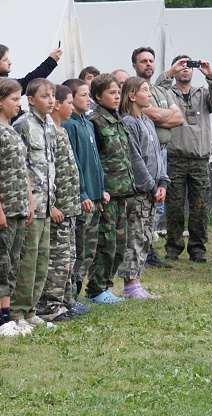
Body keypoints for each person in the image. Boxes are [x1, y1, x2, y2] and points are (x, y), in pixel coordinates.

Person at [156, 56, 212, 263]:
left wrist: (211, 75)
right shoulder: (167, 94)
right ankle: (173, 246)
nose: (185, 69)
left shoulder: (203, 94)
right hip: (175, 159)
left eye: (189, 66)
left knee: (200, 207)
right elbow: (155, 90)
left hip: (199, 160)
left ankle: (197, 248)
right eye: (181, 66)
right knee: (174, 207)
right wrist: (170, 72)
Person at [0, 78, 33, 337]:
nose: (18, 104)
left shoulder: (11, 129)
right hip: (4, 209)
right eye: (14, 99)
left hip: (18, 208)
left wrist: (29, 202)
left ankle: (6, 316)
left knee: (11, 264)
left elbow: (23, 170)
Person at [131, 46, 184, 269]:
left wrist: (159, 116)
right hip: (144, 152)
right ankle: (141, 250)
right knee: (144, 201)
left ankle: (148, 248)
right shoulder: (132, 89)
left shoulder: (160, 91)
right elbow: (150, 114)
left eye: (151, 61)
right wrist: (163, 114)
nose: (148, 64)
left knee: (158, 205)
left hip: (161, 149)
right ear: (134, 65)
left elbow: (179, 118)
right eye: (143, 61)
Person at [86, 73, 137, 303]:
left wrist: (126, 190)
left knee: (119, 244)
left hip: (120, 193)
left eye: (118, 92)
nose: (117, 97)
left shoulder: (117, 120)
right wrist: (99, 191)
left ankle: (106, 285)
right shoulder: (95, 122)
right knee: (105, 243)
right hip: (106, 194)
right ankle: (96, 289)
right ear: (98, 96)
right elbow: (94, 161)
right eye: (111, 93)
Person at [117, 77, 169, 298]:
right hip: (140, 192)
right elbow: (135, 159)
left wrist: (163, 182)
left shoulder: (147, 121)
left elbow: (157, 155)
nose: (149, 94)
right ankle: (130, 285)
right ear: (131, 95)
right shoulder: (129, 123)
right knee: (136, 236)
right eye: (145, 90)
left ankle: (136, 282)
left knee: (146, 236)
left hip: (153, 190)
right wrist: (150, 187)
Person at [11, 78, 57, 328]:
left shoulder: (49, 124)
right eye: (45, 96)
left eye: (53, 96)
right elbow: (19, 168)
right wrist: (26, 202)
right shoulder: (23, 125)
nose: (51, 101)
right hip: (31, 205)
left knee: (41, 261)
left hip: (46, 204)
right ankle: (17, 312)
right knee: (27, 261)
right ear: (31, 100)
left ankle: (31, 310)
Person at [61, 79, 107, 314]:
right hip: (83, 198)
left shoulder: (87, 123)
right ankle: (69, 297)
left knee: (89, 250)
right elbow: (75, 164)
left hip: (95, 195)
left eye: (89, 95)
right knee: (77, 250)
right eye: (83, 95)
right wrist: (83, 193)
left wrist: (101, 189)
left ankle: (75, 295)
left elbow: (95, 161)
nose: (88, 99)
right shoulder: (68, 125)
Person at [37, 84, 82, 322]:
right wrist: (52, 205)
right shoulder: (48, 132)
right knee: (57, 260)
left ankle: (65, 302)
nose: (72, 107)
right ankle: (49, 307)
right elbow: (45, 172)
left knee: (69, 258)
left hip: (69, 206)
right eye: (69, 103)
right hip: (58, 207)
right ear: (56, 105)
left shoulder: (61, 131)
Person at [0, 43, 62, 121]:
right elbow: (28, 81)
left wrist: (21, 113)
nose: (10, 62)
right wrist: (51, 61)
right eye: (5, 60)